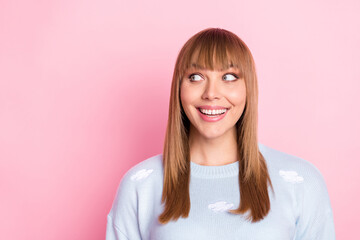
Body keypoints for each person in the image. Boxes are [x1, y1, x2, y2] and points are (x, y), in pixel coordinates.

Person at [106, 28, 335, 240]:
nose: (211, 93)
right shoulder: (141, 185)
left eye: (228, 77)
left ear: (248, 88)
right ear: (179, 88)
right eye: (195, 77)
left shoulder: (302, 181)